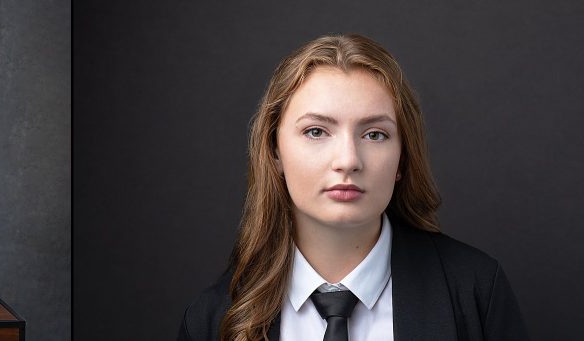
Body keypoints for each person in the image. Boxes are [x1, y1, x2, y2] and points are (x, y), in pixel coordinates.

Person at [178, 34, 528, 341]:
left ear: (402, 159)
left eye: (374, 134)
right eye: (316, 131)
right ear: (274, 152)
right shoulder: (212, 319)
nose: (348, 160)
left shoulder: (477, 291)